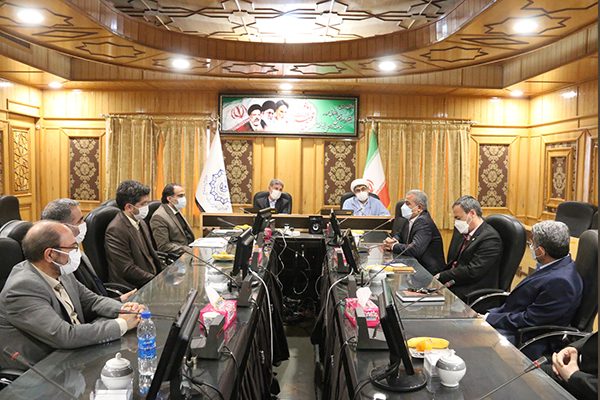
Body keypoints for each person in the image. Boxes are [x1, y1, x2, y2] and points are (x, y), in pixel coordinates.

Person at [0, 221, 143, 369]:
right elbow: (64, 335)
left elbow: (92, 301)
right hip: (45, 369)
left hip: (77, 354)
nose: (77, 252)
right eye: (73, 247)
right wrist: (122, 324)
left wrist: (126, 310)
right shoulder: (22, 288)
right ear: (50, 254)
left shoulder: (60, 270)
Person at [484, 220, 583, 360]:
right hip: (516, 324)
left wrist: (489, 318)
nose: (531, 246)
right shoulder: (556, 264)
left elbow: (530, 320)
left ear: (541, 251)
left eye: (533, 243)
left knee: (474, 343)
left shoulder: (561, 282)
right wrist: (489, 315)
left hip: (529, 339)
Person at [41, 198, 137, 301]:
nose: (84, 223)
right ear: (65, 228)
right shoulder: (60, 263)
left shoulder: (77, 253)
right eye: (80, 221)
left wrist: (119, 300)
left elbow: (91, 297)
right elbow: (81, 304)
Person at [434, 195, 502, 302]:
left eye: (458, 218)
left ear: (472, 213)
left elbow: (473, 272)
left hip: (471, 292)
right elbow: (453, 260)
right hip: (455, 283)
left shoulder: (490, 238)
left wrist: (441, 276)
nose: (456, 222)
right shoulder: (465, 232)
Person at [105, 180, 163, 288]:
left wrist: (165, 274)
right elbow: (127, 269)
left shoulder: (140, 222)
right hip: (132, 287)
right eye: (143, 204)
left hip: (150, 279)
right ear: (129, 207)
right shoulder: (116, 230)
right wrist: (156, 281)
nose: (146, 206)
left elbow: (149, 255)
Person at [383, 190, 444, 274]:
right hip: (413, 265)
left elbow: (415, 249)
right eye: (404, 203)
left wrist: (393, 246)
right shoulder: (410, 218)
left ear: (419, 208)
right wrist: (393, 240)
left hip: (427, 271)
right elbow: (399, 235)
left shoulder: (423, 222)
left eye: (407, 204)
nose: (403, 207)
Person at [543, 332, 597, 400]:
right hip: (580, 367)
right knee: (537, 372)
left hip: (587, 387)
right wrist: (573, 348)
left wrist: (573, 375)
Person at [150, 183, 195, 256]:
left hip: (188, 251)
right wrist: (188, 250)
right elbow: (164, 246)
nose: (183, 198)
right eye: (180, 196)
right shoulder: (159, 217)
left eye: (184, 195)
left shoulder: (176, 210)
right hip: (177, 256)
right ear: (169, 199)